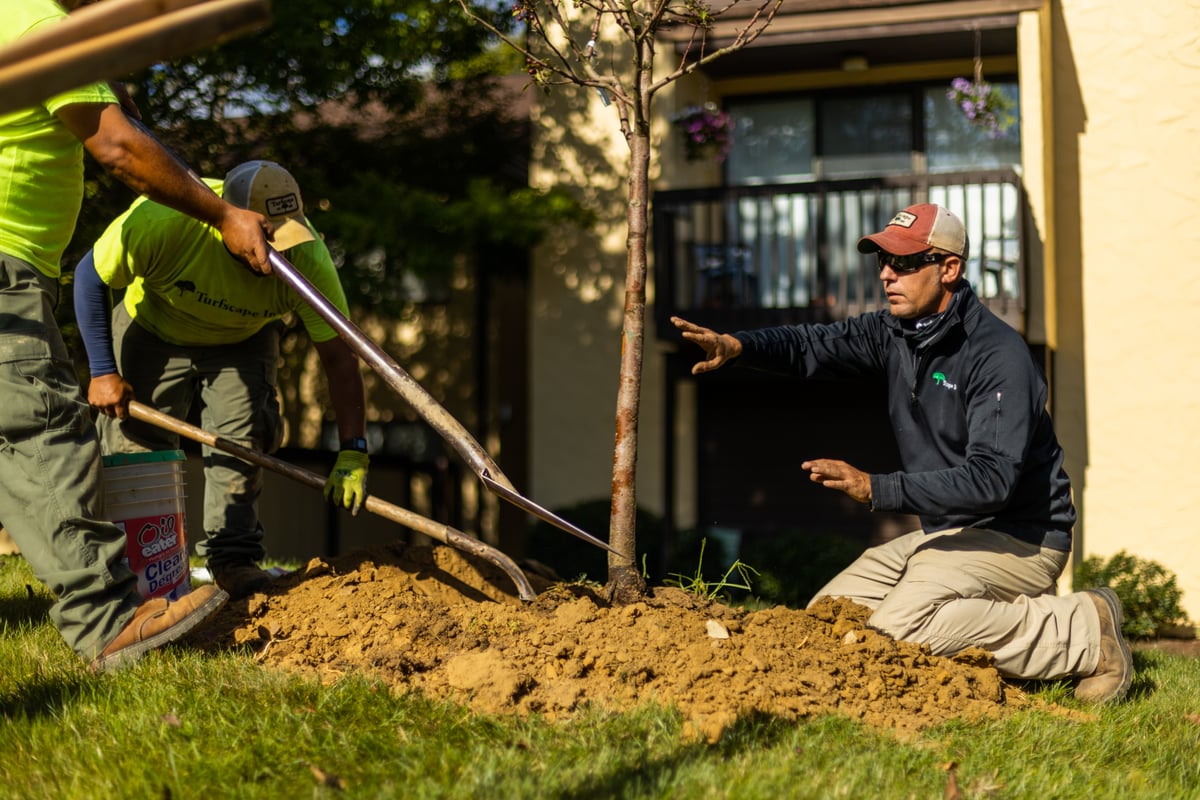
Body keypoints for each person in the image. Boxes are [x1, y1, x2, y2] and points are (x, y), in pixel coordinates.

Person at [672, 203, 1133, 703]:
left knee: (895, 633)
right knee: (831, 618)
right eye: (883, 262)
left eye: (906, 263)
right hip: (950, 534)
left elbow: (992, 481)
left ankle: (1085, 629)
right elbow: (813, 344)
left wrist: (877, 487)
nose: (888, 275)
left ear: (949, 268)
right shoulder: (896, 334)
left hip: (1021, 536)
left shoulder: (998, 357)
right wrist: (739, 346)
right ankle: (998, 623)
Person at [1, 0, 276, 670]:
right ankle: (107, 624)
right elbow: (118, 147)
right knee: (42, 433)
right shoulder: (45, 28)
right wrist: (220, 214)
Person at [74, 159, 369, 600]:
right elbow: (90, 276)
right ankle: (142, 569)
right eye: (268, 240)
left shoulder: (307, 261)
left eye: (287, 240)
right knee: (136, 445)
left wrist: (354, 449)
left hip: (241, 343)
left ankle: (232, 560)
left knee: (242, 441)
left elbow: (340, 358)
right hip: (153, 329)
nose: (276, 256)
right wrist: (102, 371)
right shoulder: (166, 219)